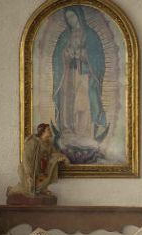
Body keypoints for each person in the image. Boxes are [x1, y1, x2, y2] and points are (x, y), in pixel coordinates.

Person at [52, 5, 109, 163]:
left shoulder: (91, 35)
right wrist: (66, 55)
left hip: (85, 77)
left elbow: (98, 59)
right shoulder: (65, 36)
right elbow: (56, 58)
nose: (71, 21)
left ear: (79, 16)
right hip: (68, 77)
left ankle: (85, 136)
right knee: (68, 104)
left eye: (73, 17)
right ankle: (68, 133)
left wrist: (84, 55)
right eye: (68, 18)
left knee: (83, 105)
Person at [7, 123, 69, 201]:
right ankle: (11, 190)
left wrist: (62, 157)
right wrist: (29, 175)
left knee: (39, 185)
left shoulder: (48, 143)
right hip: (29, 170)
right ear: (42, 132)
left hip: (41, 170)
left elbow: (53, 154)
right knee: (28, 190)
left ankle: (42, 190)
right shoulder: (33, 142)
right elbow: (26, 159)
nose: (50, 131)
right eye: (48, 130)